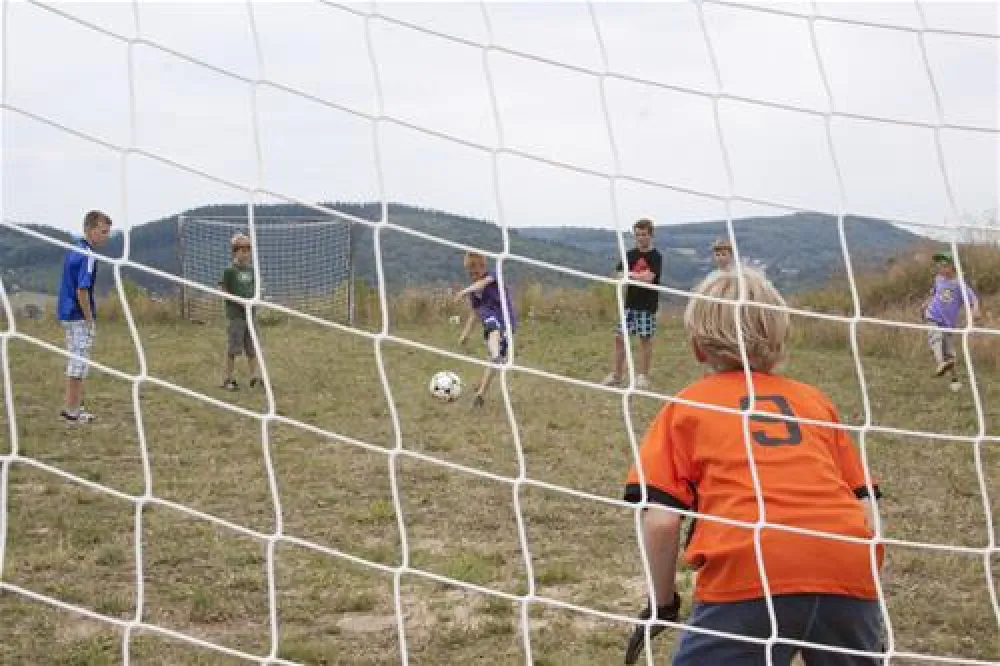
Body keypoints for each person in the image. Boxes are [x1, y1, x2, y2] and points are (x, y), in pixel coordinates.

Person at [622, 267, 885, 666]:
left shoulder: (686, 407)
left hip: (749, 571)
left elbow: (660, 521)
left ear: (696, 347)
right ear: (780, 340)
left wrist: (663, 603)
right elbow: (865, 506)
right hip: (848, 567)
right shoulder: (816, 402)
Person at [57, 210, 113, 423]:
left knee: (75, 359)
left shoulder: (75, 248)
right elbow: (82, 289)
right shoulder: (88, 255)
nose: (106, 236)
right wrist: (89, 318)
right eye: (103, 231)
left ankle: (74, 405)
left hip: (66, 312)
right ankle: (72, 411)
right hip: (78, 314)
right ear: (90, 230)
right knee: (78, 362)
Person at [602, 218, 663, 390]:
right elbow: (617, 274)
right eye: (637, 235)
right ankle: (616, 375)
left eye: (644, 234)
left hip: (647, 305)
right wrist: (634, 276)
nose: (641, 238)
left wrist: (630, 276)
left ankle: (643, 376)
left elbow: (650, 278)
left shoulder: (656, 256)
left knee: (645, 340)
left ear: (651, 235)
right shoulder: (630, 255)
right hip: (629, 304)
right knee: (619, 338)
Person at [455, 251, 517, 408]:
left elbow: (481, 284)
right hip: (491, 320)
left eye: (475, 271)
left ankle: (496, 355)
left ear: (482, 266)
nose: (473, 275)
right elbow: (475, 313)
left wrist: (464, 291)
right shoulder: (474, 292)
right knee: (493, 355)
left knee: (495, 352)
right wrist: (465, 334)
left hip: (507, 320)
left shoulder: (493, 275)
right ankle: (480, 395)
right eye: (470, 272)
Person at [920, 251, 979, 387]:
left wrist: (975, 310)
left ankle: (954, 380)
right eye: (939, 265)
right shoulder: (938, 279)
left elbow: (973, 299)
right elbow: (934, 293)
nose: (940, 267)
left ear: (953, 267)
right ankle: (940, 363)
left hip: (948, 323)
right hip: (933, 316)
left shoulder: (959, 285)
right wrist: (925, 305)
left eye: (944, 265)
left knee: (949, 353)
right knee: (935, 337)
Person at [219, 233, 261, 391]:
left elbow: (255, 288)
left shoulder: (251, 270)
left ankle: (254, 377)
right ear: (234, 251)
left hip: (251, 315)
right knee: (233, 348)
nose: (245, 253)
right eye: (241, 249)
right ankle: (227, 379)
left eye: (248, 249)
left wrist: (255, 300)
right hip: (236, 316)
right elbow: (223, 289)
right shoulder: (230, 270)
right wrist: (239, 302)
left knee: (252, 348)